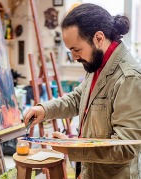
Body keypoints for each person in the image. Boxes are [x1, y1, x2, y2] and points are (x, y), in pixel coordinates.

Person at [24, 3, 141, 179]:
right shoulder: (97, 63)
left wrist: (73, 148)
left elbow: (126, 148)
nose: (74, 57)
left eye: (77, 50)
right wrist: (44, 109)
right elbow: (78, 98)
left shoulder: (129, 78)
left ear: (99, 38)